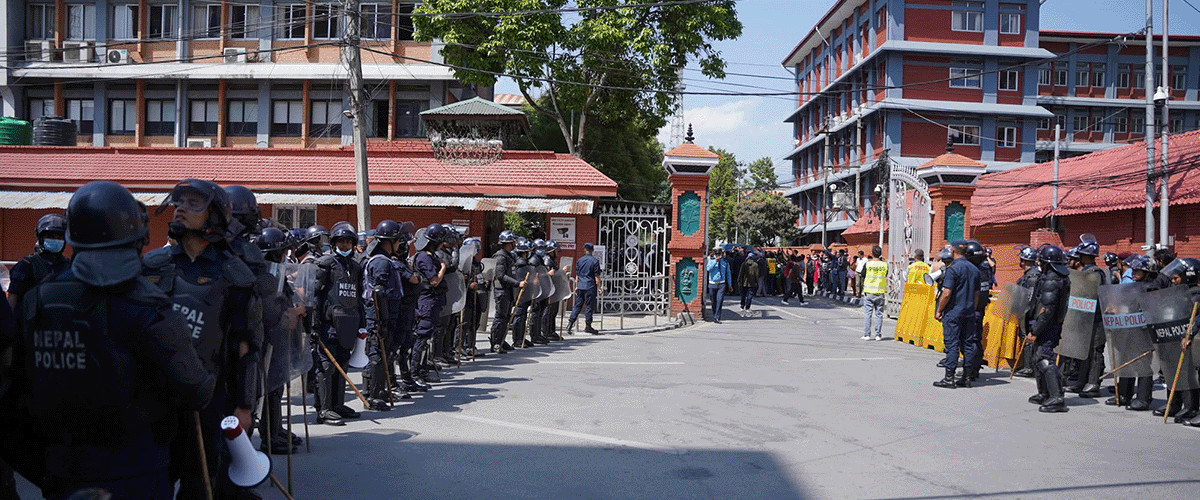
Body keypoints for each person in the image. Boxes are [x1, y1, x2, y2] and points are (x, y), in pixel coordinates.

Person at [14, 181, 214, 499]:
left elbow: (15, 391)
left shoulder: (37, 301)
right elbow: (195, 389)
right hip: (136, 467)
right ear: (136, 237)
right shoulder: (147, 304)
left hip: (61, 469)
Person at [141, 178, 262, 497]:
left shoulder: (235, 276)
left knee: (200, 483)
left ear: (215, 216)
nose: (181, 208)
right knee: (152, 482)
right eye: (179, 202)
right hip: (154, 400)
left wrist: (244, 406)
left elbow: (245, 349)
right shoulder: (152, 267)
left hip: (209, 401)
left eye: (194, 203)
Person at [312, 223, 366, 424]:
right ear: (334, 243)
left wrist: (362, 323)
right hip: (328, 324)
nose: (345, 245)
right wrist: (314, 325)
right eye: (341, 242)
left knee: (342, 363)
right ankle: (324, 409)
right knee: (327, 367)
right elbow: (315, 295)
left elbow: (359, 297)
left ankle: (337, 404)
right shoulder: (326, 264)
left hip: (349, 323)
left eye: (348, 242)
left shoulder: (356, 267)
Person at [361, 220, 406, 411]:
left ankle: (379, 390)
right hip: (379, 315)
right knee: (377, 355)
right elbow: (378, 293)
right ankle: (373, 395)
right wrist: (382, 320)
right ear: (391, 240)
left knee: (384, 354)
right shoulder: (380, 261)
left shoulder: (385, 259)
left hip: (387, 313)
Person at [1024, 244, 1071, 413]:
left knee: (1044, 358)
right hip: (1048, 324)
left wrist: (1035, 330)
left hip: (1047, 326)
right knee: (1038, 358)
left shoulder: (1052, 279)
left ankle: (1056, 397)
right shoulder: (1055, 277)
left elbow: (1047, 309)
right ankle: (1044, 393)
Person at [933, 240, 980, 389]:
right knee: (967, 344)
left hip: (954, 312)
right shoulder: (975, 269)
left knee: (952, 345)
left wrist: (939, 310)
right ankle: (966, 377)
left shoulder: (952, 269)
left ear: (953, 251)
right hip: (969, 312)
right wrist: (972, 307)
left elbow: (946, 293)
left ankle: (949, 378)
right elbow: (976, 294)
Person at [1065, 238, 1108, 398]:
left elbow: (1095, 296)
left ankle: (1093, 383)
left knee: (1095, 351)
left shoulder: (1096, 274)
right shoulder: (1085, 273)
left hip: (1096, 319)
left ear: (1084, 256)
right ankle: (1082, 381)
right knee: (1084, 351)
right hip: (1084, 318)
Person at [7, 213, 71, 311]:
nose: (55, 240)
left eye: (59, 237)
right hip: (31, 322)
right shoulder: (27, 264)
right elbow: (13, 297)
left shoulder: (69, 265)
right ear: (41, 238)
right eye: (50, 236)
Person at [412, 224, 449, 377]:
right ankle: (415, 372)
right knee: (422, 336)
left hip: (432, 301)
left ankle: (422, 367)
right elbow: (434, 281)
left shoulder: (430, 256)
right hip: (427, 302)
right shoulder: (424, 257)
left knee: (427, 337)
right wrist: (443, 267)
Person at [489, 230, 522, 351]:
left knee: (506, 318)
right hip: (501, 291)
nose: (515, 243)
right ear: (508, 243)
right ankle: (496, 342)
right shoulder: (500, 256)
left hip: (508, 292)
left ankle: (501, 340)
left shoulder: (508, 256)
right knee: (500, 318)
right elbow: (500, 275)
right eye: (513, 241)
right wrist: (517, 283)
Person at [1013, 245, 1042, 378]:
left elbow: (1030, 298)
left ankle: (1028, 367)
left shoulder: (1032, 276)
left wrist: (1025, 312)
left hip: (1030, 313)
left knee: (1027, 338)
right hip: (1027, 312)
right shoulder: (1029, 275)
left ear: (1024, 261)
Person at [569, 242, 603, 333]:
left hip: (581, 286)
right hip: (590, 286)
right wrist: (599, 287)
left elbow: (577, 275)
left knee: (577, 305)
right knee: (589, 307)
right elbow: (597, 277)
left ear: (585, 250)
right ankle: (588, 326)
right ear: (592, 250)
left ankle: (570, 324)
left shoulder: (580, 260)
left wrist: (576, 286)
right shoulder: (595, 261)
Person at [861, 245, 889, 341]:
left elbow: (863, 275)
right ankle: (878, 335)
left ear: (872, 254)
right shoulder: (885, 265)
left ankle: (867, 334)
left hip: (869, 292)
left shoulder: (868, 264)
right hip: (880, 292)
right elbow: (885, 274)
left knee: (868, 314)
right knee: (879, 314)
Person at [705, 248, 731, 322]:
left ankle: (717, 317)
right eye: (717, 254)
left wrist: (730, 284)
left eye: (719, 254)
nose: (718, 256)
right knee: (713, 301)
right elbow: (708, 269)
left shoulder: (725, 261)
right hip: (712, 284)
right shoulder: (710, 260)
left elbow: (728, 273)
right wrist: (715, 262)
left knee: (719, 301)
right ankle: (714, 313)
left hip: (721, 284)